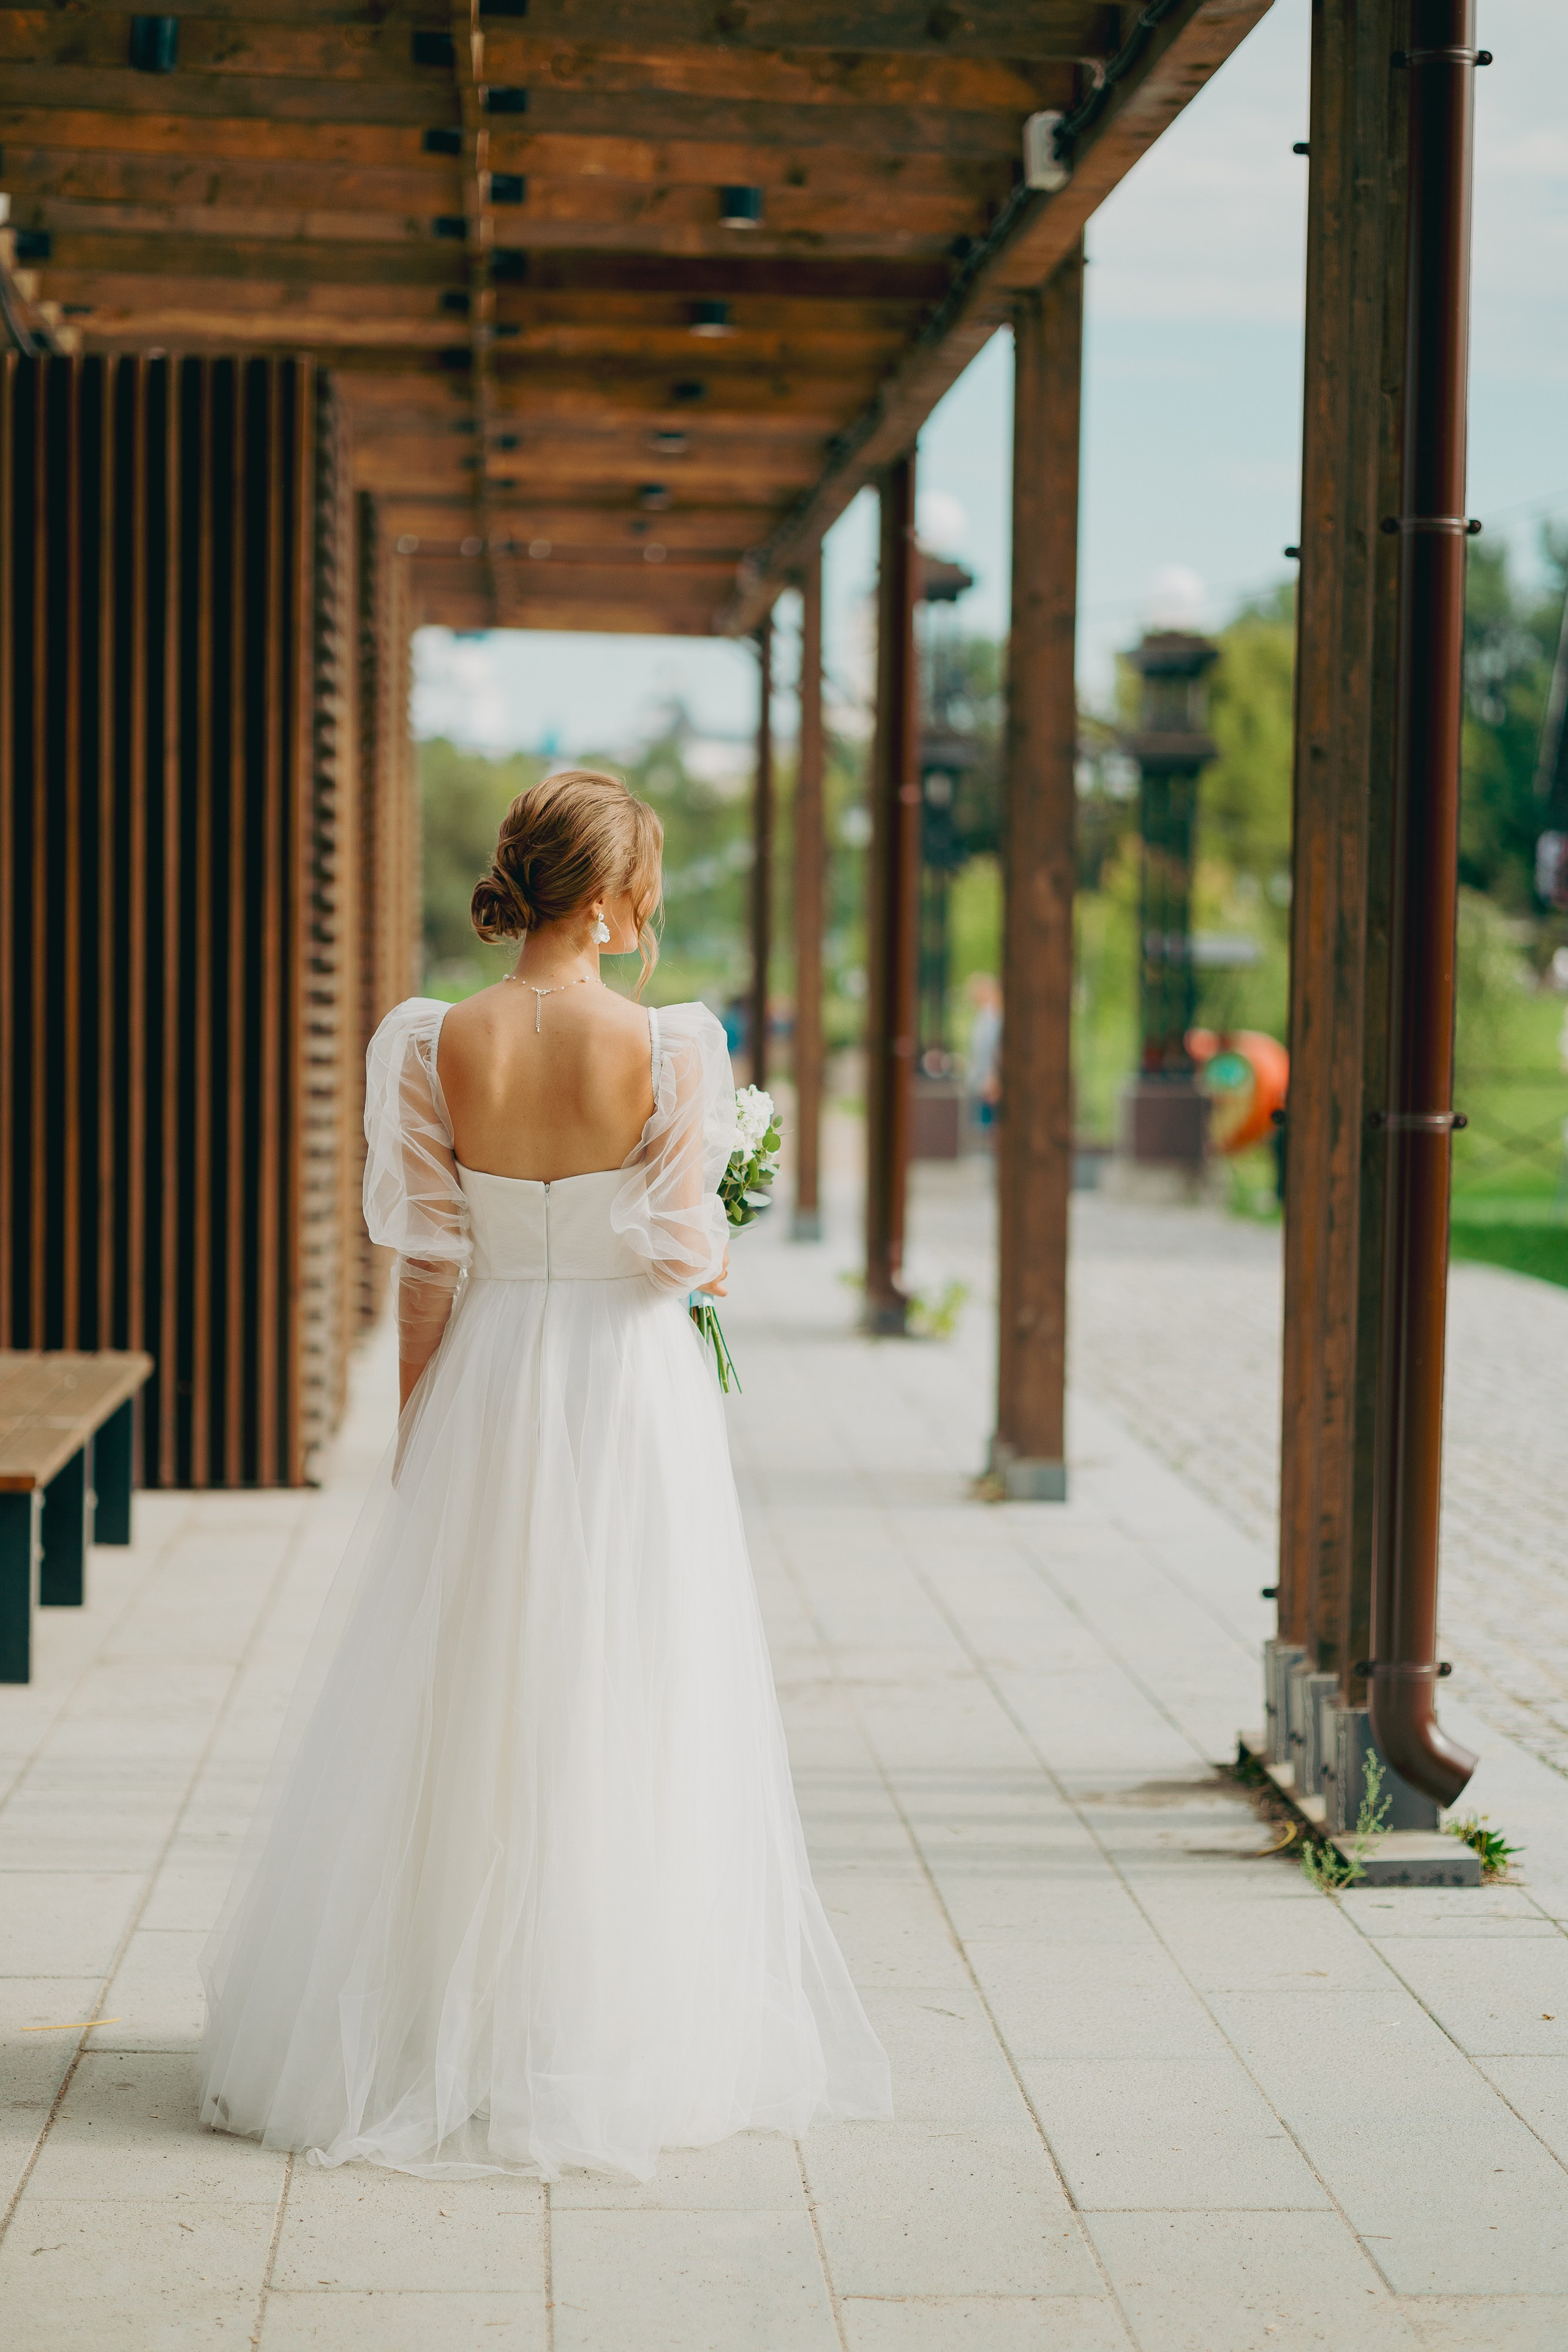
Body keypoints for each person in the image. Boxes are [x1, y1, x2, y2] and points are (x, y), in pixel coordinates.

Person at [198, 769, 891, 2180]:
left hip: (494, 1374)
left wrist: (420, 1436)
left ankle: (446, 2017)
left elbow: (428, 1268)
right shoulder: (670, 1044)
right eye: (646, 883)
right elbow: (683, 1255)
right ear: (614, 895)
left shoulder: (427, 1041)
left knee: (474, 1687)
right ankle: (601, 2015)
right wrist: (719, 1187)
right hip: (629, 1389)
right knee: (630, 1682)